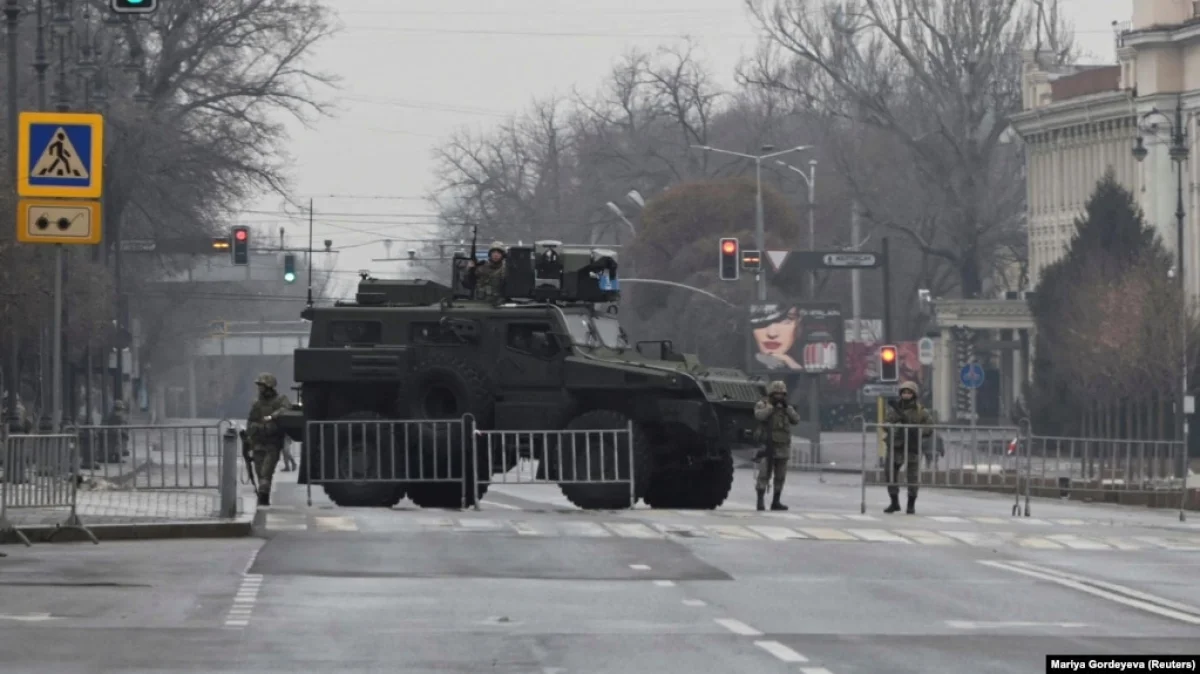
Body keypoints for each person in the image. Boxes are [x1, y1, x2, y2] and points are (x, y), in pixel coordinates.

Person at [884, 381, 934, 514]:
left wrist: (917, 431)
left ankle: (911, 504)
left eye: (909, 392)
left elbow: (929, 426)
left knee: (913, 476)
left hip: (912, 446)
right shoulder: (894, 410)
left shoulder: (920, 411)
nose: (906, 395)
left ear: (914, 394)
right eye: (904, 392)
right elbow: (886, 423)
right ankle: (894, 502)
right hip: (896, 446)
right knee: (890, 474)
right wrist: (893, 427)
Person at [753, 380, 800, 511]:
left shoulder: (786, 408)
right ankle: (760, 501)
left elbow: (796, 419)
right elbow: (759, 416)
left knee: (780, 476)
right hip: (768, 446)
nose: (779, 396)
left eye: (782, 394)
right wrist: (771, 408)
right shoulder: (763, 404)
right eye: (776, 394)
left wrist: (786, 408)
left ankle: (776, 501)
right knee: (763, 474)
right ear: (771, 394)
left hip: (783, 446)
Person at [245, 373, 291, 506]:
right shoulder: (257, 403)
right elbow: (251, 420)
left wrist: (272, 416)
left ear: (269, 386)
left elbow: (286, 409)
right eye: (259, 386)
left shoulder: (280, 400)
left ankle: (263, 500)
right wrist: (248, 438)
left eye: (262, 386)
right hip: (258, 443)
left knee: (266, 473)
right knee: (260, 474)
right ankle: (263, 497)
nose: (259, 388)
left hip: (272, 444)